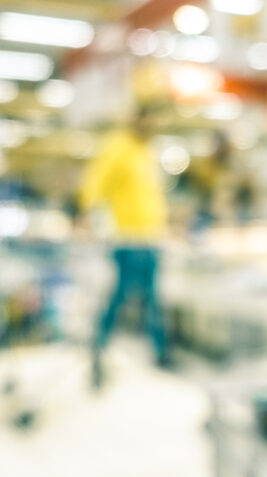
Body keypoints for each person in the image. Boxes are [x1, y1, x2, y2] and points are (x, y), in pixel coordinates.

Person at [79, 104, 172, 388]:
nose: (153, 125)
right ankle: (99, 344)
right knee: (119, 296)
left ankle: (159, 351)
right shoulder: (117, 147)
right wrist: (95, 222)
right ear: (137, 118)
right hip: (127, 239)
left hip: (150, 238)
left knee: (153, 299)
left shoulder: (146, 152)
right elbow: (95, 187)